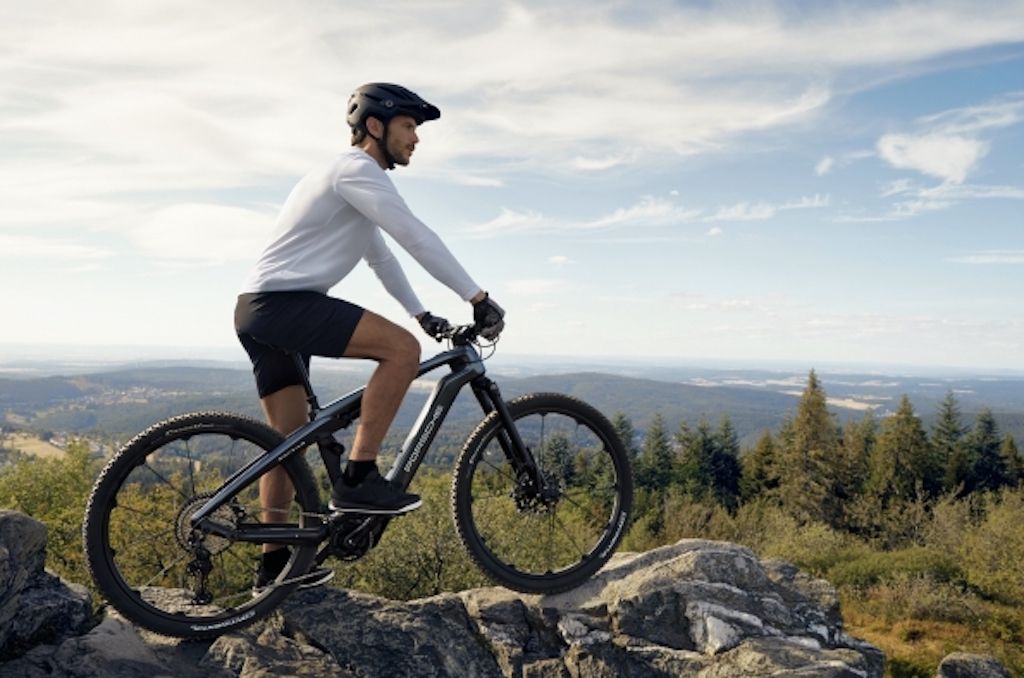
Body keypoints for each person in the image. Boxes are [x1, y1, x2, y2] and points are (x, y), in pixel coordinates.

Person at [234, 83, 505, 592]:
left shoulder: (345, 181)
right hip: (285, 306)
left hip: (258, 310)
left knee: (287, 447)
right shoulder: (357, 170)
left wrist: (421, 312)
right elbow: (414, 234)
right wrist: (476, 296)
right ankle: (360, 479)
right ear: (375, 127)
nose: (416, 139)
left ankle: (273, 568)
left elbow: (380, 255)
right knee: (402, 351)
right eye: (409, 126)